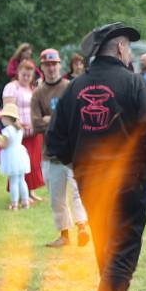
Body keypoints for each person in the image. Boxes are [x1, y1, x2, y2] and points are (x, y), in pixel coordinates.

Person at [46, 22, 146, 291]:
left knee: (107, 253)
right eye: (128, 47)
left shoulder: (73, 89)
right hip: (130, 182)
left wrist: (82, 164)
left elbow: (55, 143)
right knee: (122, 257)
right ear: (119, 49)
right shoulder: (133, 83)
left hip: (90, 182)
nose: (129, 52)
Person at [31, 48, 89, 248]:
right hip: (51, 153)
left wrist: (52, 119)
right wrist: (59, 119)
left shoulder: (70, 87)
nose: (51, 68)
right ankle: (64, 235)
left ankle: (82, 227)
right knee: (56, 197)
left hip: (74, 152)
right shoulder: (38, 93)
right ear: (42, 68)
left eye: (54, 64)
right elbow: (36, 124)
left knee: (77, 192)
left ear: (59, 65)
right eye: (47, 65)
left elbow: (79, 117)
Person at [3, 59, 44, 202]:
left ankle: (30, 192)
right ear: (18, 73)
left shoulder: (32, 89)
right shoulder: (11, 87)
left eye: (29, 75)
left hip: (33, 132)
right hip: (18, 134)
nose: (26, 77)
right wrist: (17, 124)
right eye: (23, 74)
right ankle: (19, 193)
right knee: (19, 164)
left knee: (32, 163)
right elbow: (8, 109)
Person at [0, 103, 30, 209]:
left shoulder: (7, 130)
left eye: (3, 117)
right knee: (21, 179)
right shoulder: (19, 129)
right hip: (20, 154)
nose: (1, 119)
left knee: (13, 181)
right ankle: (25, 201)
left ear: (8, 118)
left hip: (11, 156)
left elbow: (3, 145)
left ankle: (14, 203)